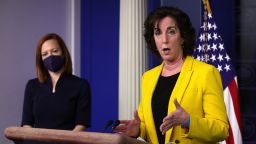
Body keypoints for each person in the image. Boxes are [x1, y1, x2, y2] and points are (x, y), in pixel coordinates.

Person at [114, 6, 229, 144]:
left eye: (171, 32)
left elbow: (221, 129)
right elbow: (150, 127)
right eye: (158, 33)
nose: (164, 40)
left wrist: (188, 121)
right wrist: (139, 130)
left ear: (182, 37)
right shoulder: (148, 77)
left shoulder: (206, 73)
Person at [21, 33, 91, 143]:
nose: (50, 57)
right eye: (45, 54)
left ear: (63, 52)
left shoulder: (81, 85)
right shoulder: (32, 85)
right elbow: (27, 124)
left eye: (55, 51)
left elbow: (81, 124)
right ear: (41, 59)